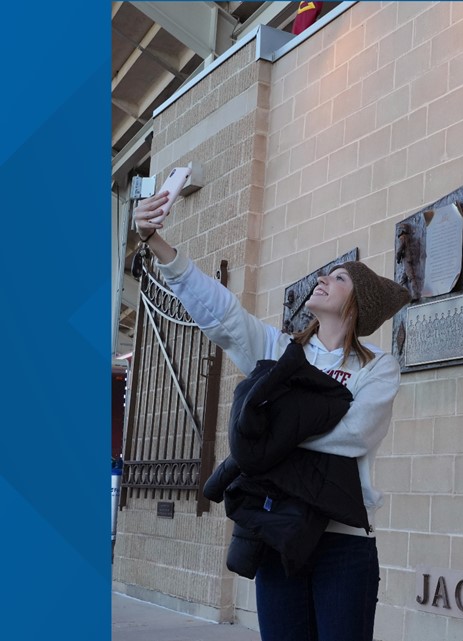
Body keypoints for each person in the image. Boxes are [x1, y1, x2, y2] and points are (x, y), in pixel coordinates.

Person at [133, 189, 410, 641]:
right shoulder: (281, 352)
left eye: (338, 277)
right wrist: (158, 244)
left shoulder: (378, 366)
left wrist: (264, 441)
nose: (323, 278)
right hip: (276, 530)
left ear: (357, 302)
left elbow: (355, 436)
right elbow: (221, 314)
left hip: (343, 541)